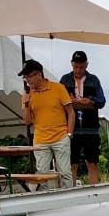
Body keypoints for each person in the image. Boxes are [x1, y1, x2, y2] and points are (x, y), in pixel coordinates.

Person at [19, 59, 74, 189]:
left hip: (61, 137)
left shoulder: (58, 88)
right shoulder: (27, 94)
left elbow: (71, 112)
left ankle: (69, 197)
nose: (27, 80)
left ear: (39, 74)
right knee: (42, 174)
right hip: (41, 139)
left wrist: (69, 134)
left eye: (29, 76)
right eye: (25, 77)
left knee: (65, 172)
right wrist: (26, 105)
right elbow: (27, 122)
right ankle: (44, 198)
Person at [60, 51, 106, 185]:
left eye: (81, 67)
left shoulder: (94, 80)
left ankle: (95, 193)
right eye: (76, 67)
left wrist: (90, 100)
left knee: (92, 163)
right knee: (71, 164)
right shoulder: (65, 80)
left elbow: (102, 101)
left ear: (87, 65)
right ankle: (72, 193)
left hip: (91, 129)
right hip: (71, 129)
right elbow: (58, 101)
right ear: (71, 64)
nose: (78, 70)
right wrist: (69, 101)